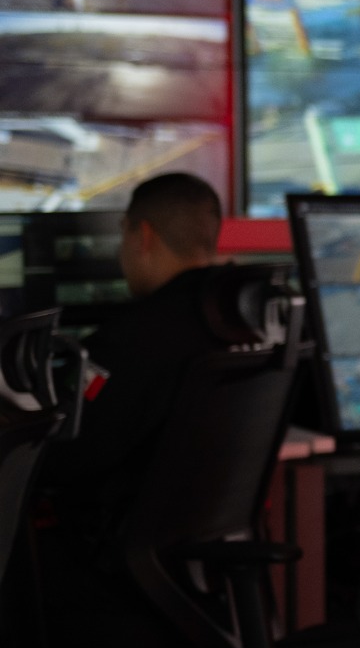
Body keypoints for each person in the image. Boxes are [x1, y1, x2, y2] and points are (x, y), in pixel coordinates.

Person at [35, 171, 226, 547]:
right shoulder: (241, 322)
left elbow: (64, 454)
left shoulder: (133, 338)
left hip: (109, 551)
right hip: (204, 543)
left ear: (143, 237)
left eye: (124, 234)